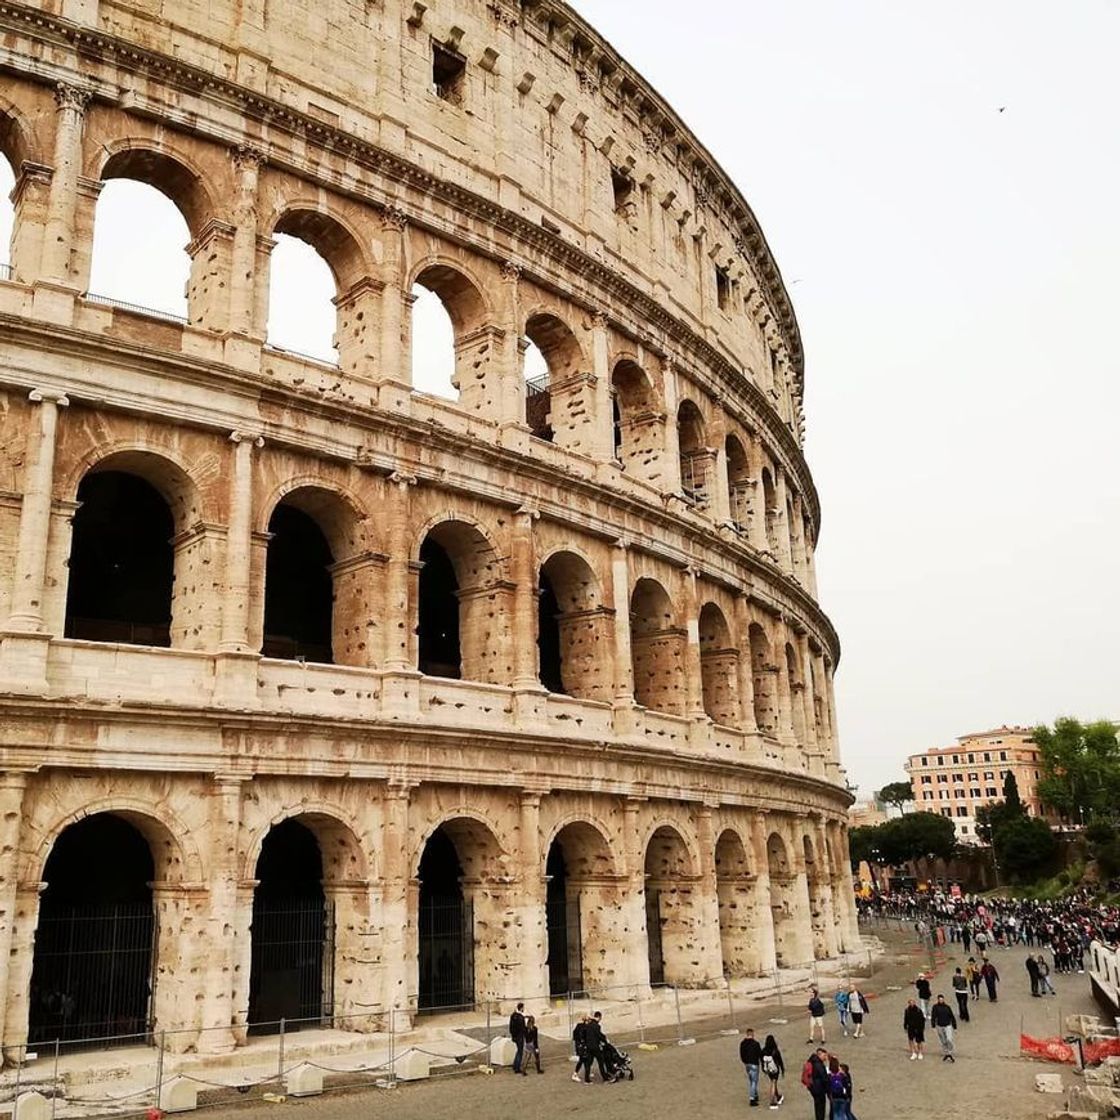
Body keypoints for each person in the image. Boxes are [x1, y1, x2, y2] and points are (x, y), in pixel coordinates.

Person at [581, 1010, 610, 1083]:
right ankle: (605, 1078)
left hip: (589, 1046)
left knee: (588, 1063)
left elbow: (584, 1035)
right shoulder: (597, 1026)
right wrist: (605, 1040)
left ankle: (587, 1079)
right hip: (595, 1047)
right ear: (599, 1017)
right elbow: (599, 1035)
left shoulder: (588, 1025)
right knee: (601, 1062)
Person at [802, 1047, 829, 1120]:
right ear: (820, 1054)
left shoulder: (812, 1061)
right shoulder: (818, 1064)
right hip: (819, 1088)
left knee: (817, 1105)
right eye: (824, 1055)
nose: (825, 1058)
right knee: (821, 1106)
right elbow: (824, 1078)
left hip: (812, 1087)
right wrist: (828, 1088)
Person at [740, 1027, 763, 1107]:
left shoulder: (742, 1043)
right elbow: (759, 1054)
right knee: (754, 1081)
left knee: (751, 1080)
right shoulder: (756, 1044)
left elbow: (741, 1055)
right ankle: (752, 1098)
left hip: (747, 1064)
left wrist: (745, 1062)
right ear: (752, 1034)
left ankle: (755, 1095)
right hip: (754, 1064)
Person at [930, 994, 957, 1062]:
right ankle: (946, 1052)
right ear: (938, 1000)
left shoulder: (947, 1007)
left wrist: (954, 1026)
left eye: (942, 999)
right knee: (943, 1040)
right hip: (939, 1026)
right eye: (940, 1000)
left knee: (949, 1039)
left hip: (947, 1025)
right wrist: (933, 1026)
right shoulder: (935, 1007)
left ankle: (950, 1051)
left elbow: (951, 1016)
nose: (941, 1001)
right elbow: (933, 1016)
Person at [761, 1034, 785, 1110]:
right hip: (775, 1069)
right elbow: (780, 1061)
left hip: (768, 1069)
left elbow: (761, 1060)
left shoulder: (763, 1050)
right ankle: (772, 1101)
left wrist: (763, 1069)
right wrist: (782, 1069)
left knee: (773, 1082)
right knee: (773, 1083)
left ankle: (778, 1096)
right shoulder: (775, 1050)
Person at [827, 1056, 852, 1120]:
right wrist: (847, 1096)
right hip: (842, 1097)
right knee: (842, 1114)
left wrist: (830, 1096)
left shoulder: (829, 1076)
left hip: (834, 1097)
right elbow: (847, 1086)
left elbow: (828, 1087)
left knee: (836, 1114)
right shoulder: (843, 1076)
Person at [509, 1001, 527, 1075]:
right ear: (521, 1008)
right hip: (519, 1036)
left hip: (515, 1036)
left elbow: (511, 1027)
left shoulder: (513, 1016)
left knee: (518, 1051)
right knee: (520, 1051)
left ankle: (515, 1064)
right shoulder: (520, 1018)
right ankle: (517, 1067)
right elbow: (523, 1028)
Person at [571, 1014, 589, 1082]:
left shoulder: (579, 1026)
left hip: (579, 1045)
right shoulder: (584, 1027)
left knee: (584, 1060)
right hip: (581, 1046)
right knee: (582, 1060)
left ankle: (587, 1072)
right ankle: (575, 1074)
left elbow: (574, 1035)